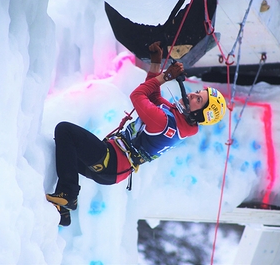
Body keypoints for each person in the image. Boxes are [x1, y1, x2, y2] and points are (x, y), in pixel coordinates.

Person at [46, 42, 227, 226]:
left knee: (64, 131)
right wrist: (156, 65)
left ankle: (68, 194)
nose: (192, 95)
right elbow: (153, 96)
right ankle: (64, 212)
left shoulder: (165, 123)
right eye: (197, 92)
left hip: (111, 162)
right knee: (64, 151)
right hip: (113, 168)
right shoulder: (177, 122)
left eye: (198, 100)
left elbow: (138, 96)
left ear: (199, 114)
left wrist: (165, 77)